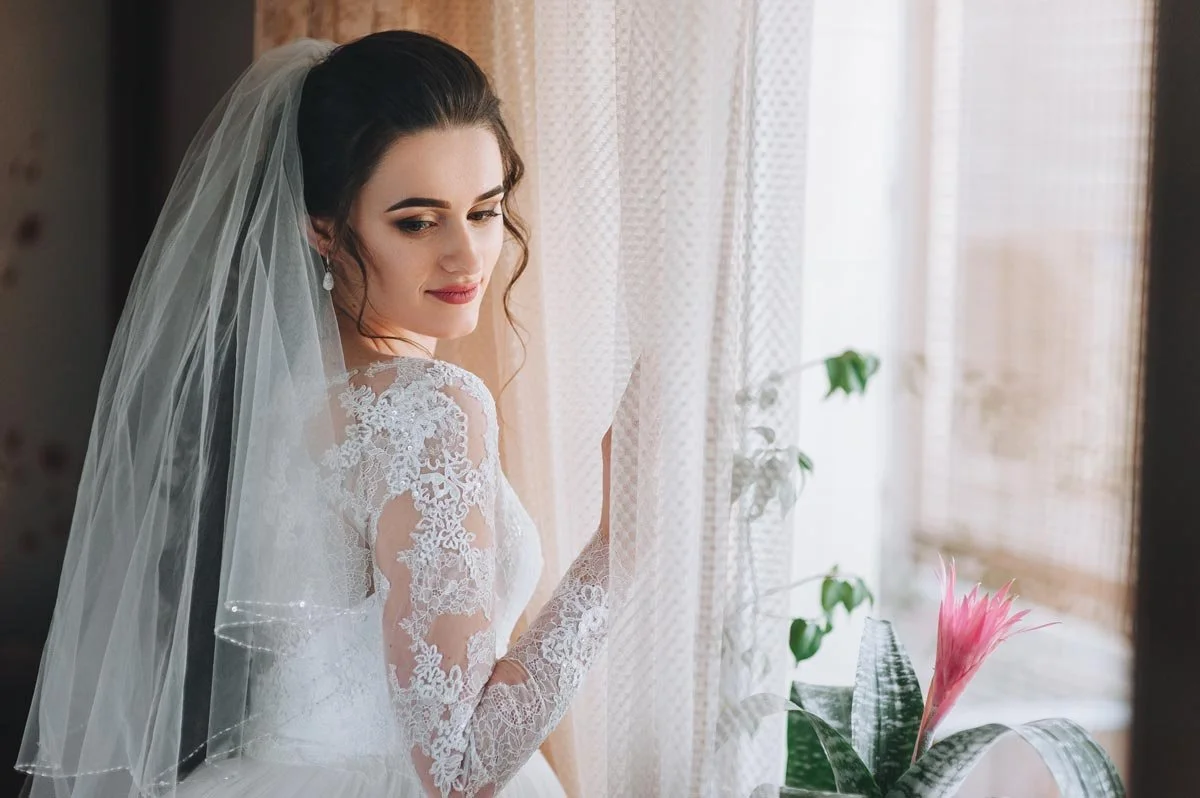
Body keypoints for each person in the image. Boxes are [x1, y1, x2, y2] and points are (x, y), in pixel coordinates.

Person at [16, 31, 612, 798]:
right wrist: (617, 549)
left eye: (485, 210)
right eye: (417, 221)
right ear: (323, 228)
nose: (467, 255)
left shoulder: (264, 393)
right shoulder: (429, 409)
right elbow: (458, 769)